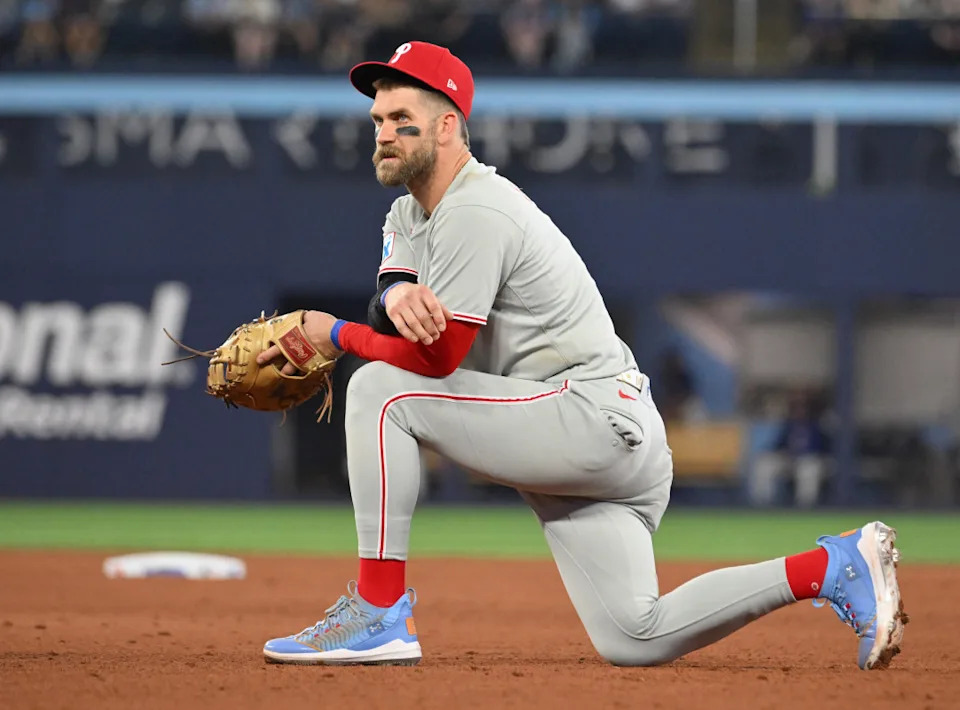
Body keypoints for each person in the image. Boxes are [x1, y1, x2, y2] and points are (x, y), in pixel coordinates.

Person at [255, 41, 906, 670]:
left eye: (403, 120)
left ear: (449, 126)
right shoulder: (406, 212)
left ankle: (377, 610)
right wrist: (393, 297)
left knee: (378, 388)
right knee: (635, 634)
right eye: (378, 119)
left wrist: (333, 335)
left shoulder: (479, 206)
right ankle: (832, 567)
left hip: (586, 413)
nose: (384, 133)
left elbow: (435, 360)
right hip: (599, 436)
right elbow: (395, 274)